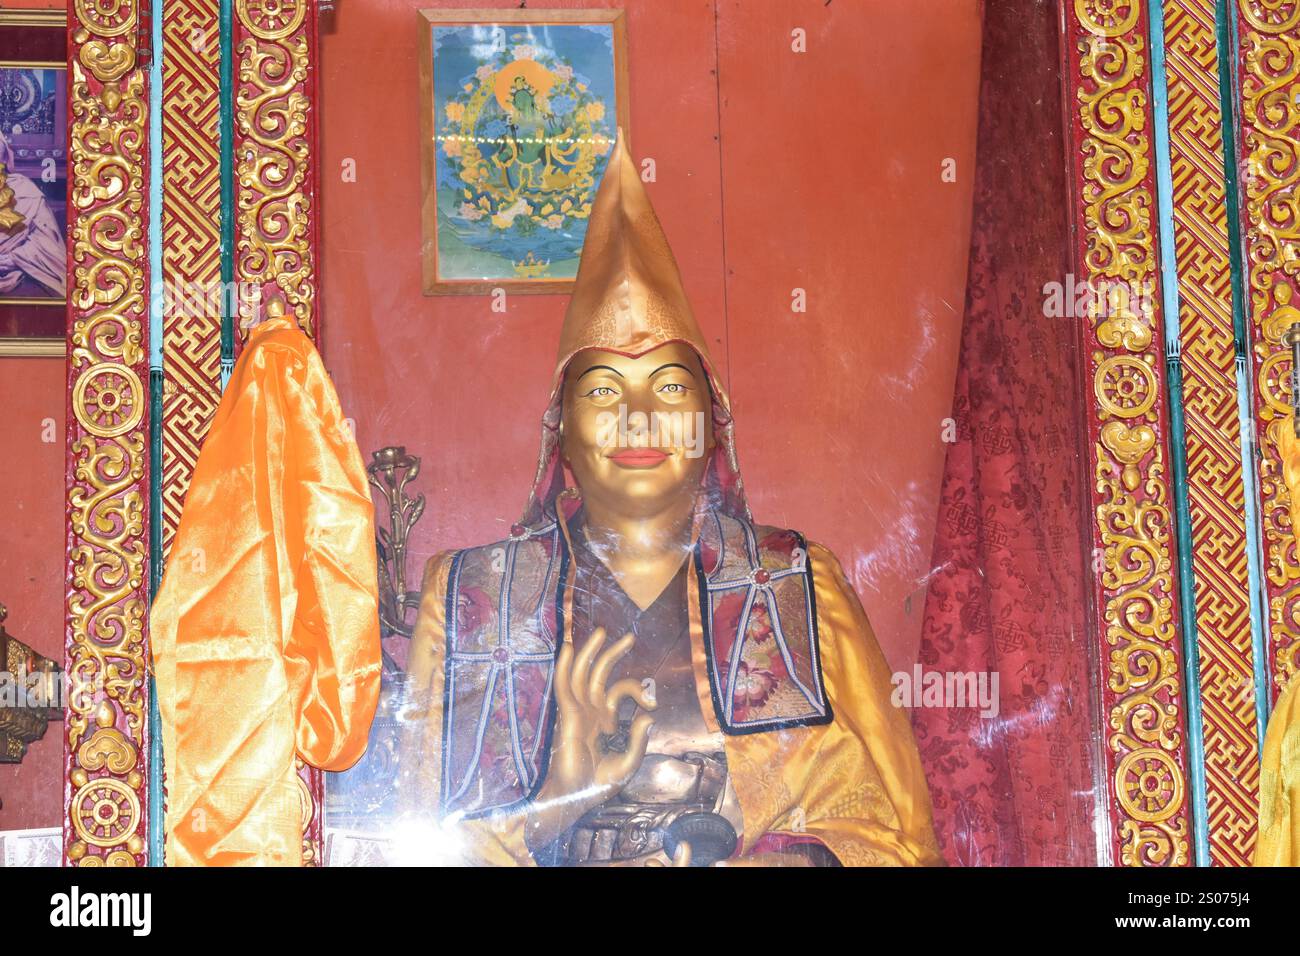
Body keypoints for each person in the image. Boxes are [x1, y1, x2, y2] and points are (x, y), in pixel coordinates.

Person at [396, 131, 941, 866]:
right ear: (560, 428)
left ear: (711, 426)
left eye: (671, 386)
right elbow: (420, 839)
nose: (640, 415)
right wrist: (561, 795)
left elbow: (891, 836)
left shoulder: (795, 584)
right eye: (602, 390)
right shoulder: (474, 598)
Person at [0, 130, 64, 299]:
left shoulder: (25, 191)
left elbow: (48, 242)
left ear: (5, 159)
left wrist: (16, 258)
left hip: (18, 270)